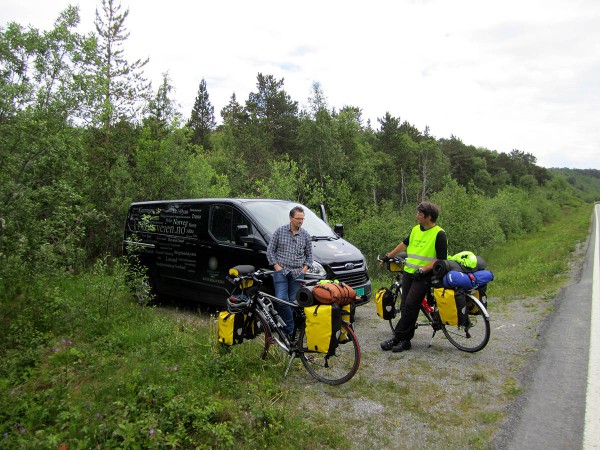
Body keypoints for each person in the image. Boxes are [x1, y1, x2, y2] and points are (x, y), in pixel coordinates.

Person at [379, 202, 447, 352]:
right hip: (409, 273)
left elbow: (441, 259)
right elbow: (403, 245)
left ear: (428, 217)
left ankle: (397, 337)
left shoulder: (439, 234)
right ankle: (406, 341)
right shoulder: (416, 229)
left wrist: (424, 269)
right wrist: (387, 257)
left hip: (424, 276)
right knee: (405, 306)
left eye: (419, 214)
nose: (416, 216)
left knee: (410, 305)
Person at [267, 206, 313, 337]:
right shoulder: (280, 232)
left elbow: (309, 257)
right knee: (281, 300)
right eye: (298, 218)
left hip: (297, 274)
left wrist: (303, 270)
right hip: (281, 272)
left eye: (302, 219)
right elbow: (270, 251)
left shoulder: (305, 235)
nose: (300, 221)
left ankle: (288, 331)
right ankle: (290, 329)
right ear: (291, 218)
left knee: (294, 302)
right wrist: (276, 266)